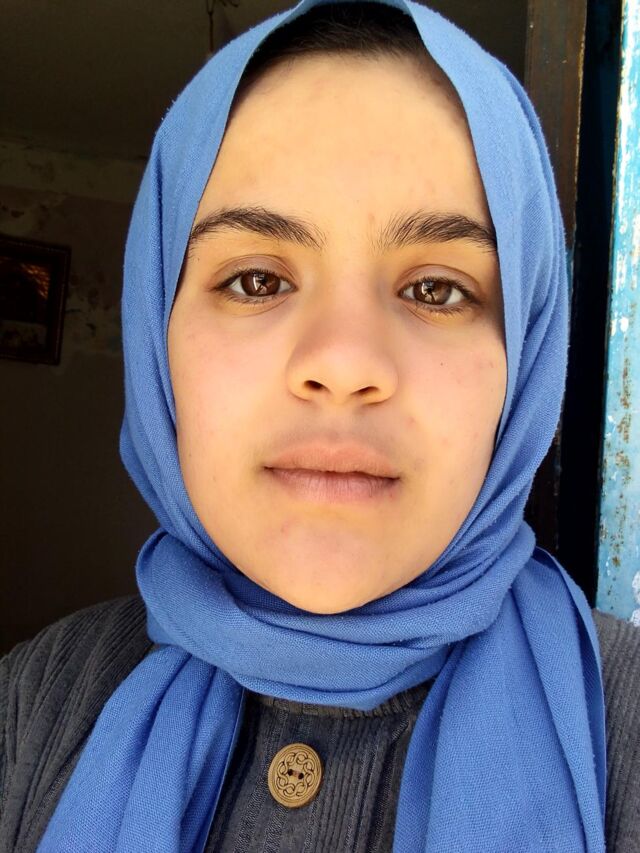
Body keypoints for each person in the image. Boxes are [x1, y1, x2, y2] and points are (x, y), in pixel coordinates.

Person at [1, 1, 639, 850]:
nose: (342, 362)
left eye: (437, 289)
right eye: (257, 281)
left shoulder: (624, 726)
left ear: (524, 357)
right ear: (157, 333)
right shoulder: (33, 702)